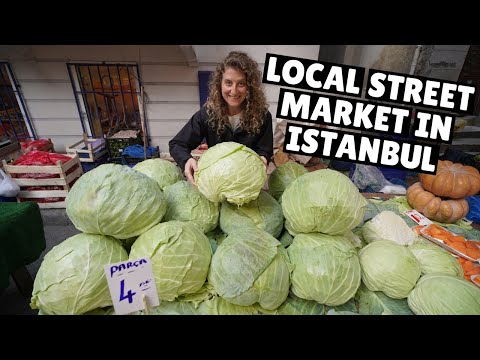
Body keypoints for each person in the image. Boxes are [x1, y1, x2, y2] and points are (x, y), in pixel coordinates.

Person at [169, 51, 273, 185]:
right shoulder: (207, 114)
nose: (234, 91)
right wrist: (186, 160)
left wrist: (263, 158)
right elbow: (177, 144)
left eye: (241, 84)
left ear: (249, 87)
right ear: (220, 84)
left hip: (245, 184)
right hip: (217, 183)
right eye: (228, 83)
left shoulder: (262, 116)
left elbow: (265, 149)